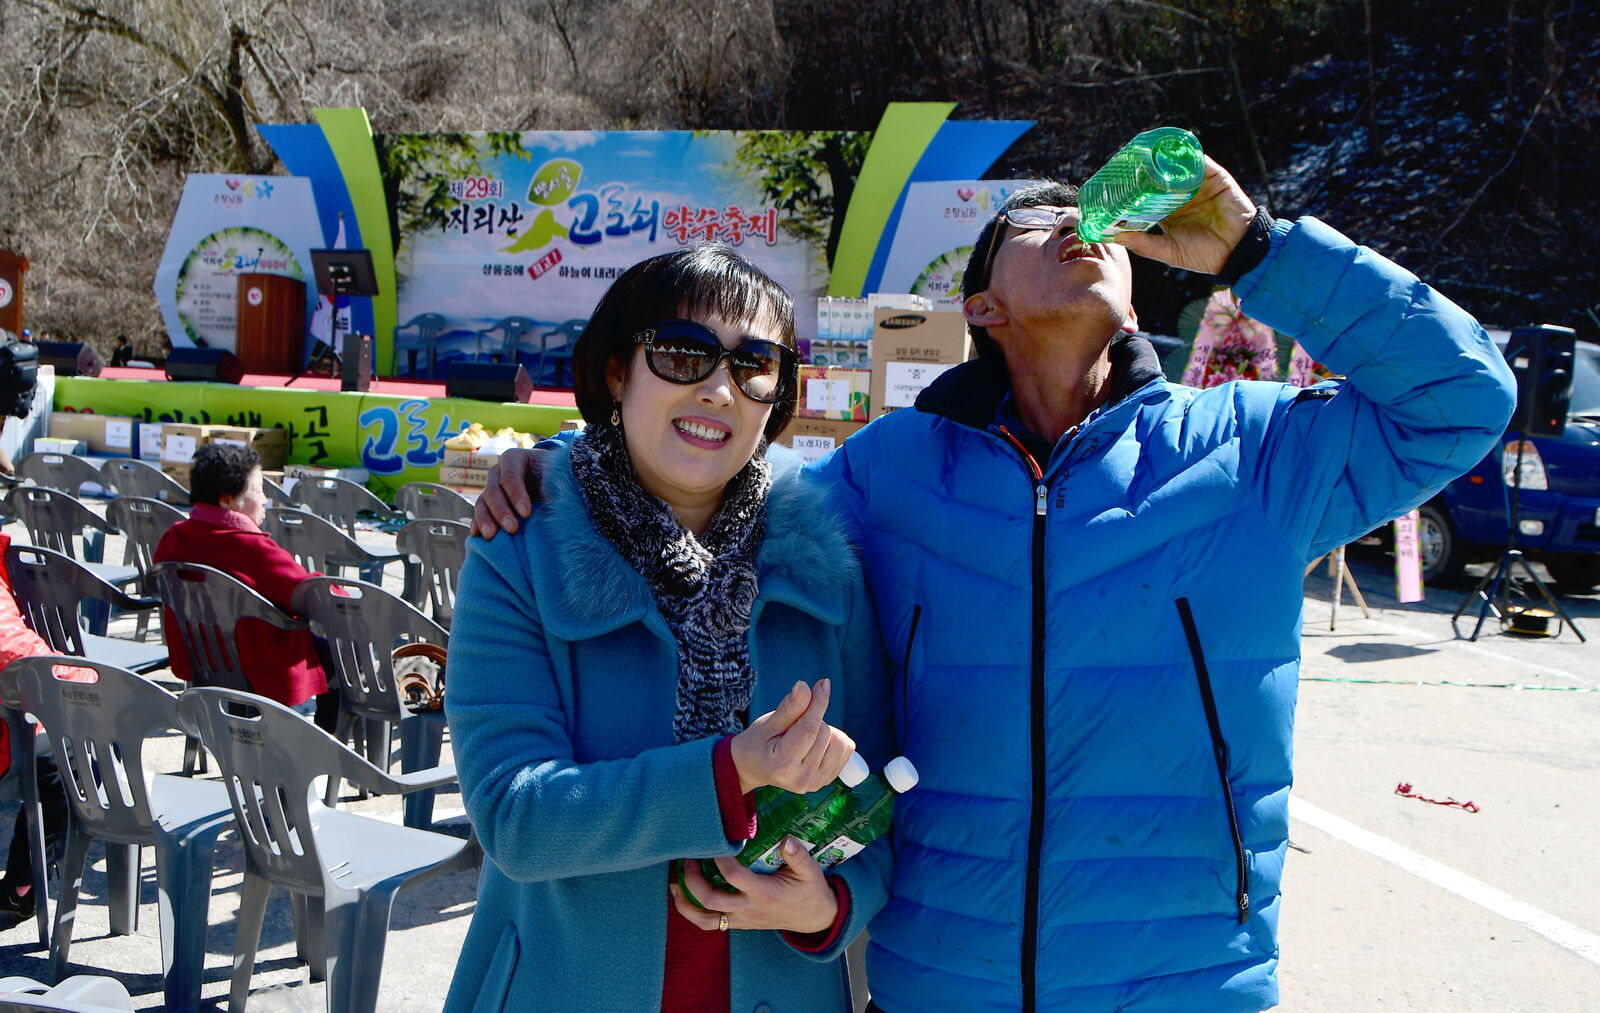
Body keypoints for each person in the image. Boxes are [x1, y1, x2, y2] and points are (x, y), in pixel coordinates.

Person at [474, 156, 1516, 1011]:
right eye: (1037, 220)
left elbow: (1462, 401)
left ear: (1135, 294)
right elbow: (714, 483)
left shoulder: (1251, 450)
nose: (1077, 225)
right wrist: (563, 466)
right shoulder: (889, 474)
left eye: (1096, 222)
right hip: (944, 979)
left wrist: (1258, 251)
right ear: (983, 305)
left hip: (1181, 979)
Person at [442, 245, 892, 1013]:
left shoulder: (827, 559)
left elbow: (883, 791)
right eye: (683, 353)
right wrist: (729, 772)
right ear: (617, 371)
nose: (718, 388)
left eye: (754, 364)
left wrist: (829, 905)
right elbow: (515, 817)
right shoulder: (520, 546)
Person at [152, 442, 332, 721]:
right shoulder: (252, 548)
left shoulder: (173, 538)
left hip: (199, 660)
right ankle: (330, 734)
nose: (265, 499)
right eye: (258, 490)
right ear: (228, 501)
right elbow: (309, 592)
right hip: (259, 666)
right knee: (338, 650)